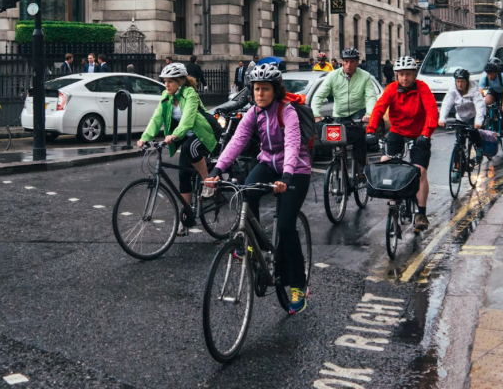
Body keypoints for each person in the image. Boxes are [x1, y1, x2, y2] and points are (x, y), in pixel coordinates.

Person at [204, 63, 312, 315]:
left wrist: (286, 175)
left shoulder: (287, 112)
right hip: (268, 163)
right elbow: (237, 141)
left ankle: (298, 284)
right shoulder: (254, 112)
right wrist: (217, 170)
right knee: (246, 191)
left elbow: (294, 144)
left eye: (264, 89)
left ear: (275, 90)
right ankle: (253, 244)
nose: (259, 94)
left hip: (295, 169)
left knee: (285, 226)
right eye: (256, 89)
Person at [138, 63, 217, 237]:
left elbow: (188, 119)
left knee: (190, 148)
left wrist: (174, 135)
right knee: (183, 175)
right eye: (165, 81)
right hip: (186, 135)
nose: (166, 85)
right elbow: (157, 117)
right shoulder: (166, 96)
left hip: (203, 133)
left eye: (170, 82)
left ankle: (208, 182)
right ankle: (186, 218)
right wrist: (145, 137)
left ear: (181, 81)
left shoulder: (190, 94)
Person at [366, 56, 438, 232]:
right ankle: (393, 204)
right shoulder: (391, 89)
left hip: (420, 135)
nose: (404, 78)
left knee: (419, 171)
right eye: (401, 74)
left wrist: (426, 134)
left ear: (414, 75)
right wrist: (370, 131)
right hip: (397, 133)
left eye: (408, 74)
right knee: (385, 162)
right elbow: (379, 109)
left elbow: (432, 112)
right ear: (396, 75)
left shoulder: (423, 89)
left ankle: (421, 213)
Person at [310, 47, 377, 170]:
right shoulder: (333, 75)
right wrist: (316, 114)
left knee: (359, 139)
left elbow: (371, 97)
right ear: (342, 62)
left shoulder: (365, 76)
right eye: (346, 61)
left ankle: (361, 168)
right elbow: (319, 95)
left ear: (357, 62)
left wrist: (368, 114)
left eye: (352, 61)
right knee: (336, 141)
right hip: (339, 114)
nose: (348, 65)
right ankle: (338, 162)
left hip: (358, 113)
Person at [438, 68, 485, 167]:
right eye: (458, 81)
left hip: (473, 116)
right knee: (459, 142)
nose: (460, 84)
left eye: (462, 81)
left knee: (473, 132)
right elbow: (446, 104)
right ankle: (457, 167)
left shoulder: (474, 91)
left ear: (467, 82)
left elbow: (480, 106)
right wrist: (442, 119)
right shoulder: (453, 91)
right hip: (460, 118)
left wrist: (478, 121)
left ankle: (479, 149)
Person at [479, 59, 503, 149]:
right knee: (485, 102)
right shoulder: (484, 78)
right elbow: (480, 93)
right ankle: (494, 118)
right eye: (488, 73)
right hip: (494, 91)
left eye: (491, 73)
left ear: (496, 72)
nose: (489, 76)